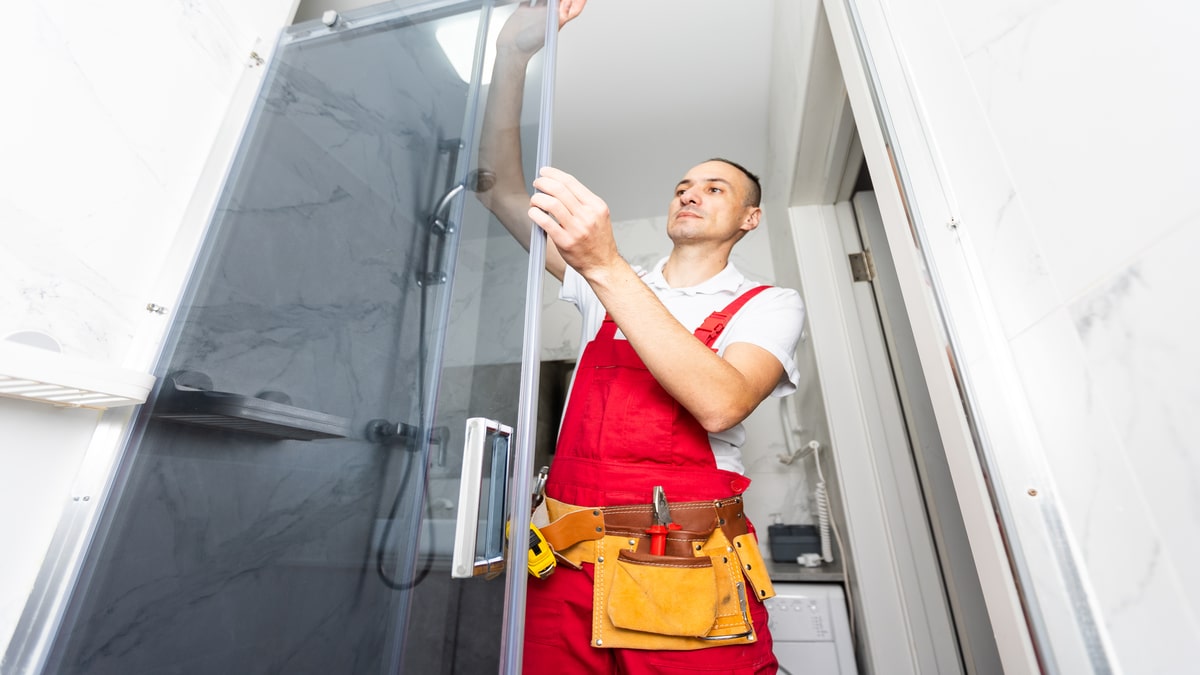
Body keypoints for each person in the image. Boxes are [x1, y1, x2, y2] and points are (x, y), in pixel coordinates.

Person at [477, 2, 804, 673]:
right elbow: (496, 188)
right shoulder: (607, 286)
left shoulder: (767, 304)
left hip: (686, 571)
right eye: (683, 185)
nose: (690, 193)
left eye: (715, 187)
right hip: (562, 572)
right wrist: (512, 57)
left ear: (750, 217)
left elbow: (721, 400)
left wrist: (604, 264)